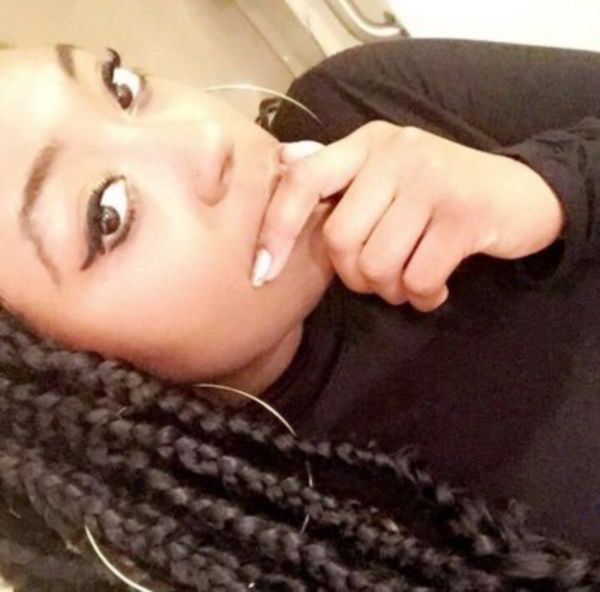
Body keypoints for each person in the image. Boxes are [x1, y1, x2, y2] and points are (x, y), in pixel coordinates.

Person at [0, 37, 599, 591]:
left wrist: (550, 185)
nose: (205, 138)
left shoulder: (362, 105)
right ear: (57, 379)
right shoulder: (243, 558)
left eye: (121, 88)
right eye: (107, 215)